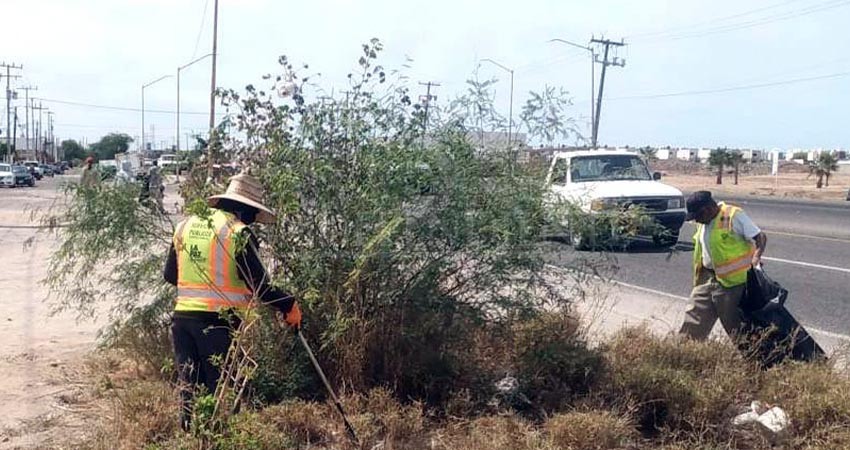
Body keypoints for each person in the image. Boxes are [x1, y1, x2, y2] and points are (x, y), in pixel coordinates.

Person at [163, 171, 302, 430]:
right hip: (218, 324)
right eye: (253, 215)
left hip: (182, 320)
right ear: (245, 209)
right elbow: (261, 287)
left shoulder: (185, 225)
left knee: (189, 387)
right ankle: (222, 440)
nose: (253, 221)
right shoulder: (237, 232)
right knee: (222, 392)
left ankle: (192, 441)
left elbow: (170, 275)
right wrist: (289, 305)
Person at [679, 191, 767, 341]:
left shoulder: (733, 215)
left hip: (734, 285)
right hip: (708, 280)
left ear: (707, 209)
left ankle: (755, 360)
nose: (697, 221)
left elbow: (760, 237)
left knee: (737, 329)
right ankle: (682, 356)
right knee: (693, 321)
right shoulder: (704, 222)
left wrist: (756, 258)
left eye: (698, 217)